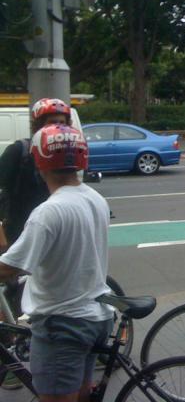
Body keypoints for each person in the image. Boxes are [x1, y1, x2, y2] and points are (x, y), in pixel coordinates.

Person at [0, 124, 114, 402]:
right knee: (81, 395)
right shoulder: (94, 198)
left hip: (62, 325)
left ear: (39, 160)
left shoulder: (49, 212)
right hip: (96, 316)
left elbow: (10, 267)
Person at [0, 98, 72, 250]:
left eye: (63, 123)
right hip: (18, 236)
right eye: (52, 122)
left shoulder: (68, 154)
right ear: (38, 126)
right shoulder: (19, 152)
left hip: (55, 236)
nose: (58, 128)